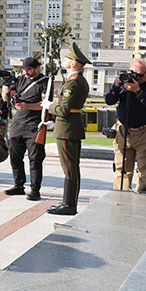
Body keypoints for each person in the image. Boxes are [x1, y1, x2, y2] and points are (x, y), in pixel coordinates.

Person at [41, 42, 91, 216]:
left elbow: (63, 110)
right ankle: (67, 202)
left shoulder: (73, 83)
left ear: (74, 63)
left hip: (68, 130)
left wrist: (48, 105)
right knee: (70, 167)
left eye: (68, 58)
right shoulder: (75, 80)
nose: (65, 60)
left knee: (70, 168)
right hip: (68, 127)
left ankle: (69, 205)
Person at [104, 57, 146, 192]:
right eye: (133, 74)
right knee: (122, 168)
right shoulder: (124, 81)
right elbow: (109, 100)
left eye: (140, 75)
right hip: (123, 129)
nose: (136, 78)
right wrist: (116, 86)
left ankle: (142, 198)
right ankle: (121, 197)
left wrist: (138, 92)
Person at [2, 57, 49, 200]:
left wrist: (27, 106)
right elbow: (6, 99)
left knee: (35, 159)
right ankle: (18, 185)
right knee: (14, 155)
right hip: (18, 123)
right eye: (24, 69)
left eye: (29, 69)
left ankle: (35, 190)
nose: (26, 72)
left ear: (37, 68)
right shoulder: (20, 80)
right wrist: (5, 90)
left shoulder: (45, 82)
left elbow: (45, 104)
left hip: (34, 125)